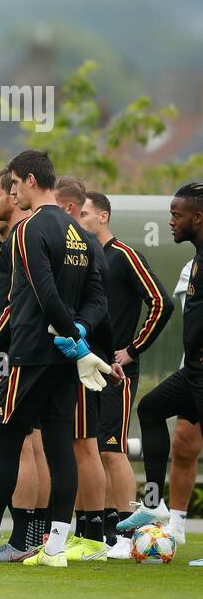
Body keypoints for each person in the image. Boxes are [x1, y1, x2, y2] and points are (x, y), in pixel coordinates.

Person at [0, 149, 110, 567]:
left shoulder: (29, 230)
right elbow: (97, 298)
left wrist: (70, 335)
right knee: (60, 447)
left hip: (31, 354)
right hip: (66, 359)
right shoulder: (78, 231)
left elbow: (42, 292)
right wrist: (80, 334)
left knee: (5, 442)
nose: (11, 192)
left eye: (14, 184)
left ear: (30, 180)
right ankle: (56, 548)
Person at [79, 190, 172, 558]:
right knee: (92, 448)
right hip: (88, 368)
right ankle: (102, 533)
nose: (80, 219)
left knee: (113, 449)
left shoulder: (127, 256)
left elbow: (161, 302)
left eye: (85, 213)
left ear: (103, 217)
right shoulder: (84, 259)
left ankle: (130, 533)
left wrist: (133, 350)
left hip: (118, 371)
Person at [0, 169, 49, 561]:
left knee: (23, 443)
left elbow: (19, 306)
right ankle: (29, 535)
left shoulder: (27, 240)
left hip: (17, 355)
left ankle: (23, 536)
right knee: (19, 442)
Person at [125, 183, 203, 550]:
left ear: (197, 218)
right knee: (151, 408)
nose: (170, 221)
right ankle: (154, 503)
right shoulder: (195, 261)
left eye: (177, 215)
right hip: (193, 372)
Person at [54, 176, 117, 560]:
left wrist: (83, 338)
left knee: (84, 445)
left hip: (82, 357)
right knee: (72, 444)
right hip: (76, 352)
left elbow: (99, 305)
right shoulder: (78, 246)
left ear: (68, 209)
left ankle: (94, 537)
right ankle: (82, 530)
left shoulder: (88, 247)